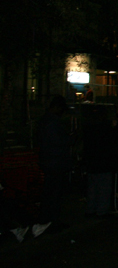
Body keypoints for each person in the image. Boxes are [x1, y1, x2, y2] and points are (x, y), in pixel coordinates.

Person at [33, 95, 74, 238]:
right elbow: (58, 141)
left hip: (49, 161)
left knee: (50, 193)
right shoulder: (52, 123)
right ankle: (50, 222)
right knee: (53, 194)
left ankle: (49, 221)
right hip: (54, 161)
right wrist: (68, 139)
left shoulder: (46, 121)